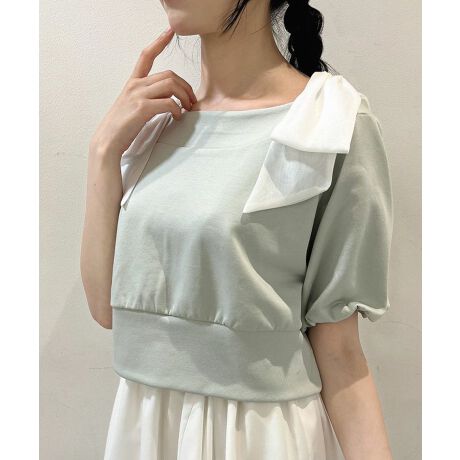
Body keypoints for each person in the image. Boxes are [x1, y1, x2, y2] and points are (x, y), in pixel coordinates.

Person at [80, 1, 394, 459]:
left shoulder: (328, 124)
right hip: (145, 429)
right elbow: (106, 308)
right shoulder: (152, 127)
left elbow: (341, 351)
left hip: (259, 436)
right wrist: (103, 151)